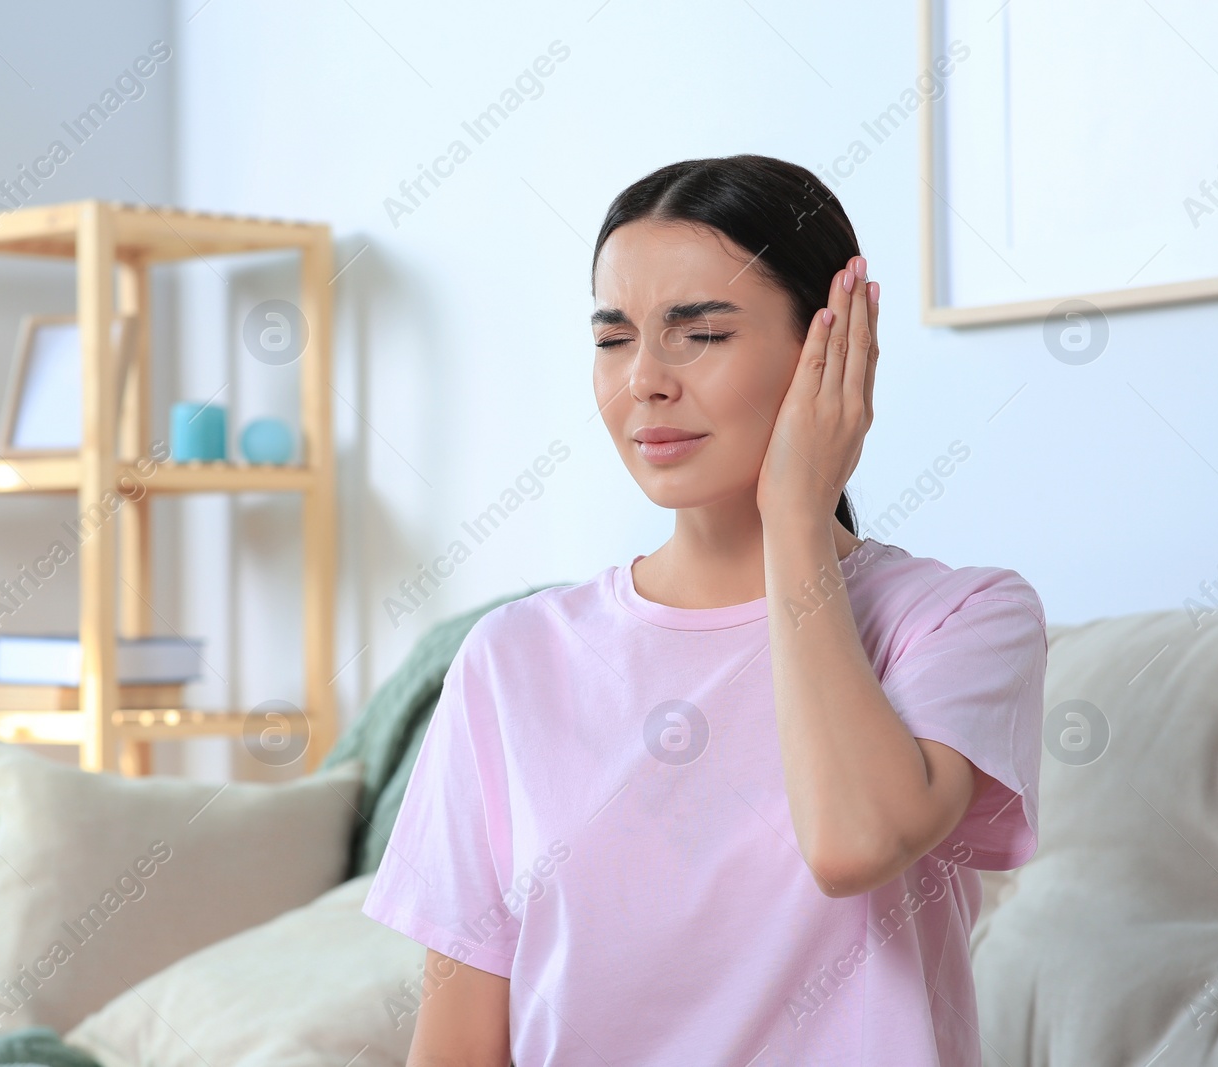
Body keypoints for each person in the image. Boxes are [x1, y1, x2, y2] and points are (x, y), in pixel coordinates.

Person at [361, 154, 1049, 1066]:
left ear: (832, 346)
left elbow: (856, 842)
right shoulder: (511, 657)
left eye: (701, 334)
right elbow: (455, 1047)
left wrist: (796, 515)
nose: (644, 378)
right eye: (614, 338)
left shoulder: (961, 617)